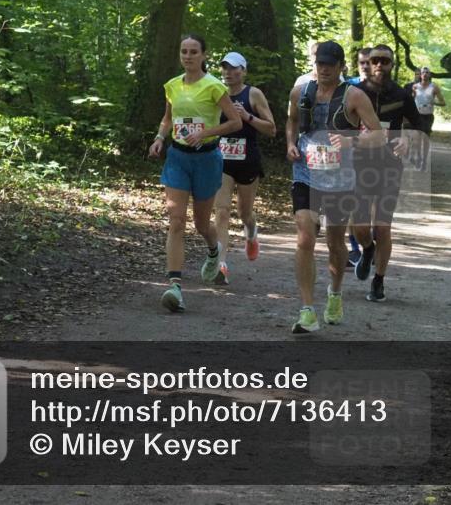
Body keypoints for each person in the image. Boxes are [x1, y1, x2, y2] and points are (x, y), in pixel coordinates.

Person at [285, 40, 383, 334]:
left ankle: (335, 293)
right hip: (305, 173)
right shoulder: (300, 92)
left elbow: (378, 135)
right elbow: (290, 121)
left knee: (335, 242)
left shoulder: (354, 96)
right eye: (320, 64)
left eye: (330, 64)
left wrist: (352, 141)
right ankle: (306, 310)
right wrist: (290, 143)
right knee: (304, 236)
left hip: (341, 179)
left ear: (341, 67)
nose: (324, 69)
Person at [148, 34, 242, 312]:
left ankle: (214, 250)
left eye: (193, 52)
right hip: (177, 157)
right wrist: (159, 138)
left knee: (201, 224)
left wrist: (206, 132)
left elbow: (235, 122)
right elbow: (168, 118)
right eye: (184, 52)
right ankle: (175, 286)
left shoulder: (214, 87)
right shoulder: (172, 86)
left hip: (207, 159)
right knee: (176, 220)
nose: (188, 56)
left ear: (203, 55)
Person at [351, 44, 423, 302]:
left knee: (383, 227)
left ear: (392, 65)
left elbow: (420, 124)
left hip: (389, 165)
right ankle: (367, 249)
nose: (380, 65)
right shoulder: (354, 92)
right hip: (359, 164)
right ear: (368, 64)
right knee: (359, 225)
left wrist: (409, 140)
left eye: (385, 61)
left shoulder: (402, 95)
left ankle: (378, 281)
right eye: (375, 60)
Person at [214, 52, 276, 262]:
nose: (228, 72)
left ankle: (251, 234)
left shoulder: (253, 94)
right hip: (222, 160)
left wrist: (247, 117)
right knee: (222, 211)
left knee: (244, 213)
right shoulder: (216, 92)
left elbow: (271, 129)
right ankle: (220, 264)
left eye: (233, 68)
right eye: (225, 67)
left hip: (248, 160)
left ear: (243, 71)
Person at [345, 47, 373, 264]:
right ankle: (355, 248)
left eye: (369, 62)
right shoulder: (349, 87)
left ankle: (369, 244)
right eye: (362, 62)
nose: (365, 66)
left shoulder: (386, 91)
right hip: (352, 153)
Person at [412, 67, 445, 170]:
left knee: (425, 139)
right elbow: (411, 100)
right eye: (423, 72)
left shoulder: (434, 87)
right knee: (417, 140)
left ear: (430, 75)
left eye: (427, 72)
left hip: (428, 116)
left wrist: (433, 102)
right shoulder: (415, 87)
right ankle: (418, 158)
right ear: (420, 75)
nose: (425, 74)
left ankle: (424, 161)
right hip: (417, 116)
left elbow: (443, 103)